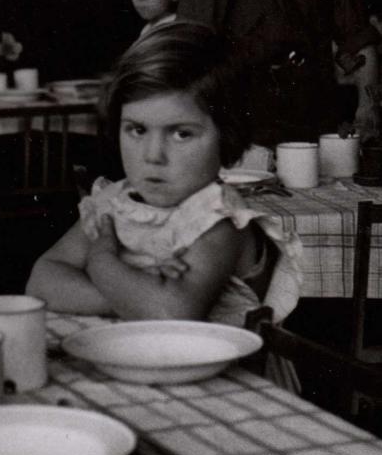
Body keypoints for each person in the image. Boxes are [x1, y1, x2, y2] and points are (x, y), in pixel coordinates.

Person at [26, 21, 301, 329]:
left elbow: (170, 314)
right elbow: (41, 282)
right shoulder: (115, 200)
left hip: (220, 375)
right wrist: (135, 297)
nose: (152, 155)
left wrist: (101, 261)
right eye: (137, 129)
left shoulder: (219, 222)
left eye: (181, 134)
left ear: (228, 138)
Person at [177, 0, 382, 146]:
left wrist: (369, 109)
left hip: (314, 128)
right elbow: (185, 51)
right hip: (243, 135)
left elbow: (358, 40)